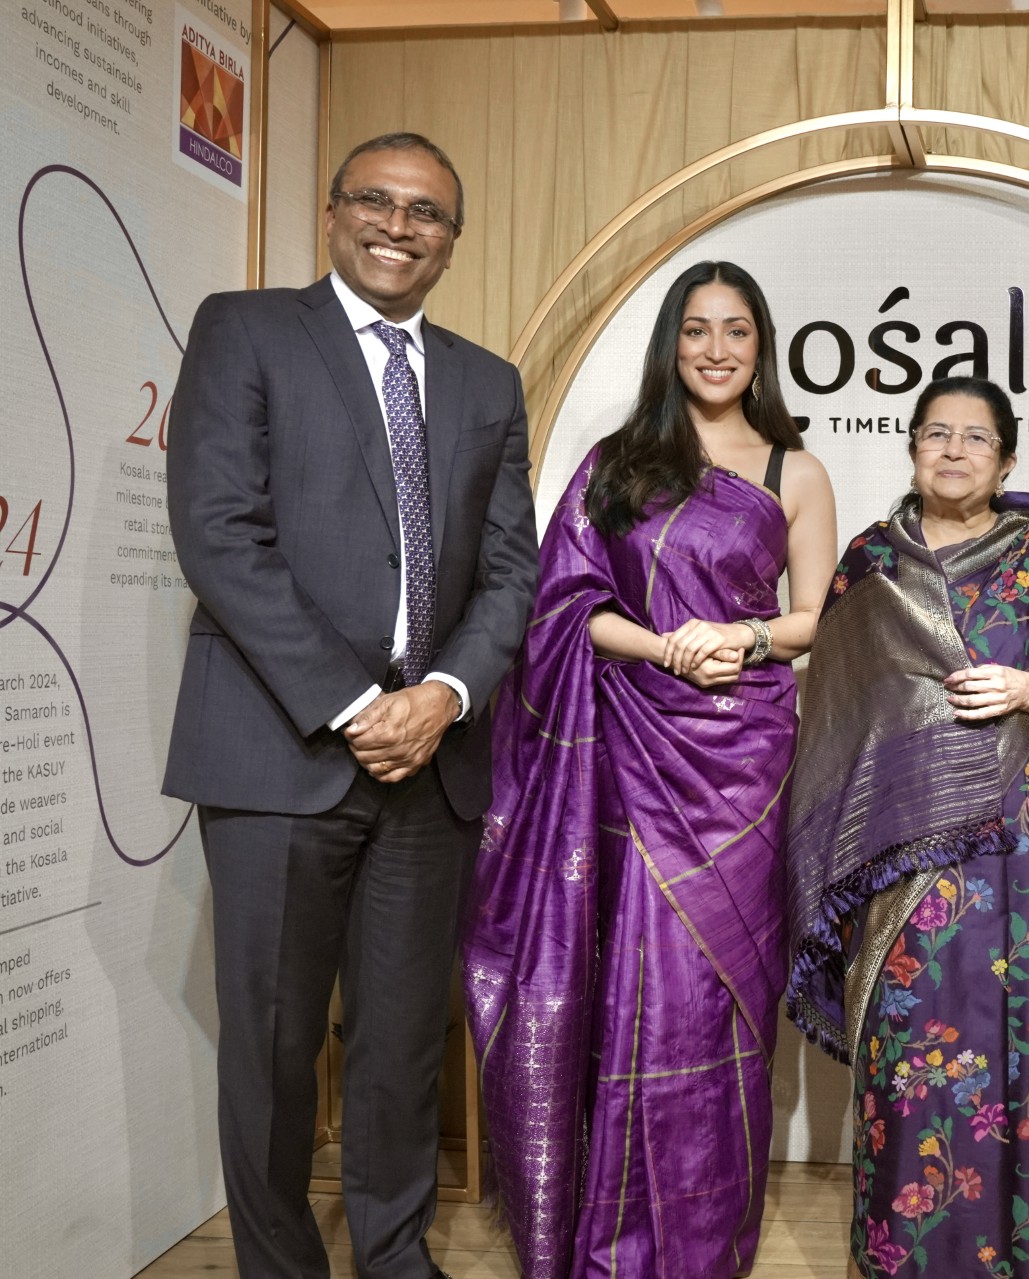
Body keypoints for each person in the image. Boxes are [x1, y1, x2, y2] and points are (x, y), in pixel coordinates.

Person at [164, 132, 539, 1278]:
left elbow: (511, 569)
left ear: (452, 240)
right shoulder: (247, 330)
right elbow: (219, 533)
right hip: (279, 752)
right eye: (375, 201)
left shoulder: (486, 379)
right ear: (332, 214)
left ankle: (393, 1253)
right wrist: (351, 701)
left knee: (398, 1047)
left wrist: (441, 694)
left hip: (433, 763)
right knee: (276, 1047)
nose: (398, 225)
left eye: (426, 212)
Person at [461, 260, 836, 1279]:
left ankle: (705, 1237)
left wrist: (746, 641)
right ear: (672, 343)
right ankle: (618, 1235)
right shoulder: (618, 463)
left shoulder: (790, 470)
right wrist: (667, 646)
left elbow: (810, 616)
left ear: (762, 347)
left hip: (744, 761)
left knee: (720, 992)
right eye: (697, 330)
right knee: (635, 977)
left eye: (738, 332)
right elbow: (567, 605)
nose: (717, 350)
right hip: (630, 744)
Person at [783, 376, 1029, 1279]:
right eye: (936, 432)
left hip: (1011, 863)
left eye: (976, 437)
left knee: (1006, 1059)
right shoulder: (868, 565)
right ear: (911, 444)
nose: (954, 450)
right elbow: (839, 721)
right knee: (902, 1070)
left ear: (1007, 458)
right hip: (894, 872)